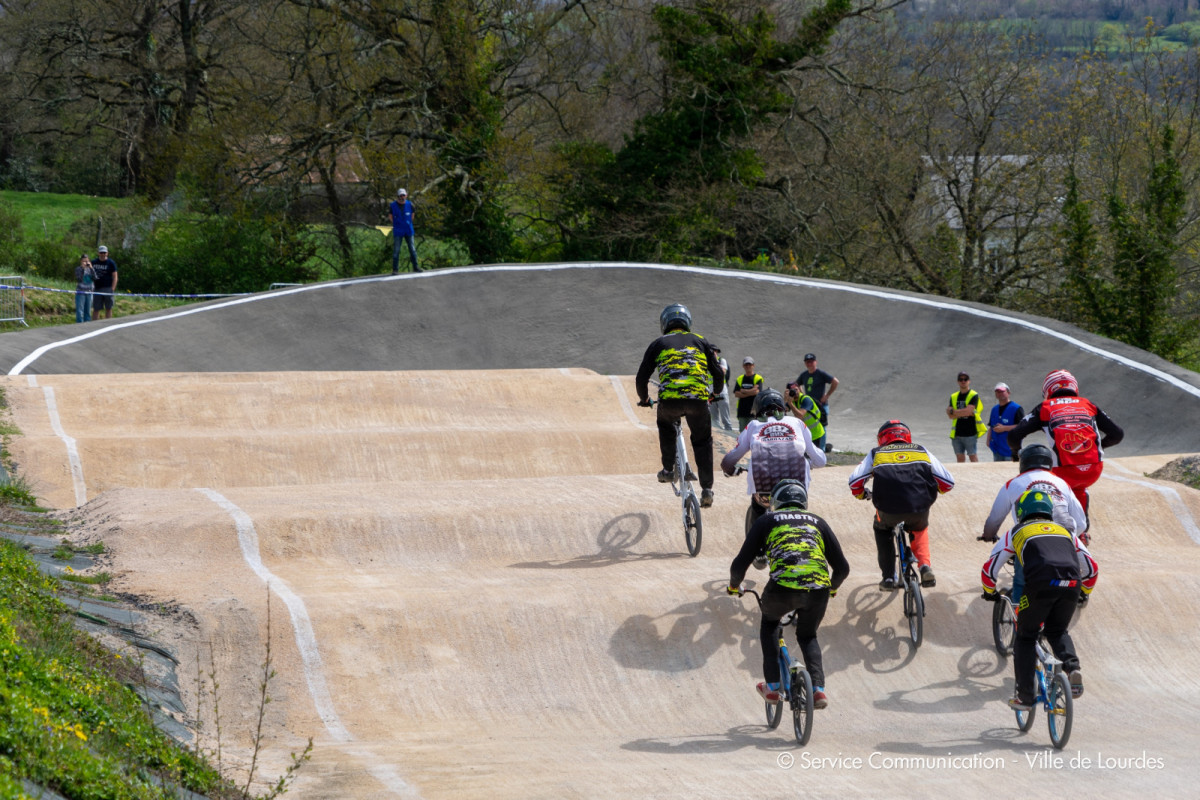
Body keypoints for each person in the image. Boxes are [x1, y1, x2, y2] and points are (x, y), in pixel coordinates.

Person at [727, 479, 849, 709]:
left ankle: (773, 687)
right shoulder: (818, 522)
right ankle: (818, 689)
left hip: (782, 587)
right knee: (807, 636)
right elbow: (842, 568)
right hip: (818, 589)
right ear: (803, 501)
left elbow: (740, 564)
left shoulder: (767, 520)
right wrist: (831, 589)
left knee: (770, 626)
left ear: (776, 501)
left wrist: (734, 585)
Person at [981, 489, 1097, 708]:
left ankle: (1026, 697)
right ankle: (1073, 669)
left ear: (1022, 511)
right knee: (1057, 631)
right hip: (1072, 585)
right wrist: (1084, 592)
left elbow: (990, 569)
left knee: (1026, 636)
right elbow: (1091, 568)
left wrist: (989, 591)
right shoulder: (1066, 532)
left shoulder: (1017, 531)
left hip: (1040, 586)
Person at [636, 303, 725, 508]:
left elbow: (642, 378)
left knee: (666, 426)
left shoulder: (658, 343)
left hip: (670, 401)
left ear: (665, 323)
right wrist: (715, 393)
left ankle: (668, 470)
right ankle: (707, 489)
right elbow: (718, 373)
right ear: (687, 322)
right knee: (703, 441)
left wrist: (644, 399)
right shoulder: (701, 341)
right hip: (698, 401)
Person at [848, 420, 955, 588]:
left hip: (887, 509)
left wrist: (862, 494)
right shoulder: (921, 450)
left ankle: (889, 578)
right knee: (919, 529)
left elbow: (854, 481)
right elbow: (948, 482)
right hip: (919, 506)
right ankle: (925, 566)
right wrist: (935, 490)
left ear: (882, 438)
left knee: (881, 529)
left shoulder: (876, 453)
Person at [1007, 369, 1124, 517]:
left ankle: (1054, 517)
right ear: (1074, 387)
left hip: (1063, 471)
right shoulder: (1088, 404)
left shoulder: (1045, 407)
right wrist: (1097, 447)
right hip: (1093, 469)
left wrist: (1016, 453)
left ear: (1047, 391)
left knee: (1044, 482)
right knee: (1079, 488)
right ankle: (1082, 529)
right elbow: (1118, 434)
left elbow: (1013, 436)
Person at [980, 443, 1089, 602]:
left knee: (1021, 582)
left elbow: (995, 518)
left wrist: (988, 535)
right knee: (1079, 573)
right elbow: (1081, 522)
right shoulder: (1062, 483)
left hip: (1030, 535)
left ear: (1023, 463)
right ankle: (1078, 594)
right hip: (1064, 537)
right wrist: (1072, 536)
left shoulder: (1013, 483)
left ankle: (1019, 621)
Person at [721, 388, 827, 530]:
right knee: (800, 512)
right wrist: (808, 463)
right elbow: (821, 460)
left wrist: (730, 470)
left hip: (764, 489)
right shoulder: (797, 423)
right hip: (797, 487)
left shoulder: (753, 426)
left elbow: (728, 461)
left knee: (758, 510)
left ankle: (755, 548)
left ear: (758, 408)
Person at [946, 371, 985, 463]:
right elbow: (950, 415)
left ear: (969, 381)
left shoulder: (973, 395)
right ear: (958, 381)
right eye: (961, 379)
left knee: (973, 457)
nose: (963, 381)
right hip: (957, 433)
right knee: (960, 458)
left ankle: (976, 475)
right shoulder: (954, 396)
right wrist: (962, 412)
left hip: (970, 433)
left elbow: (968, 411)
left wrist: (954, 412)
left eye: (965, 379)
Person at [795, 353, 838, 428]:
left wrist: (827, 395)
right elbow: (797, 384)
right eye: (807, 362)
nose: (809, 364)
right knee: (811, 427)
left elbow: (835, 381)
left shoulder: (821, 373)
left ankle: (822, 440)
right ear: (805, 363)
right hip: (810, 406)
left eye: (811, 361)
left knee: (821, 427)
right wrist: (802, 394)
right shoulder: (804, 375)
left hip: (821, 405)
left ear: (815, 362)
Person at [986, 382, 1024, 462]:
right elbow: (991, 426)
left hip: (1010, 450)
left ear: (1008, 392)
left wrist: (1004, 428)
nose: (1000, 394)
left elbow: (1022, 427)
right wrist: (988, 441)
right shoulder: (994, 409)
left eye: (1002, 391)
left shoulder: (1016, 408)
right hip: (996, 450)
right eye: (997, 392)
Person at [785, 381, 826, 452]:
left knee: (813, 458)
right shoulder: (792, 400)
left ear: (799, 389)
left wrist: (790, 404)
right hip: (805, 435)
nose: (795, 392)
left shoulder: (806, 399)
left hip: (815, 434)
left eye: (796, 389)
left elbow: (800, 415)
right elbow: (781, 411)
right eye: (792, 391)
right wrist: (785, 399)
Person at [389, 188, 420, 273]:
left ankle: (415, 267)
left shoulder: (410, 204)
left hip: (408, 230)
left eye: (403, 195)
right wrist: (396, 224)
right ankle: (395, 269)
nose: (402, 197)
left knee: (412, 249)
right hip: (398, 231)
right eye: (400, 195)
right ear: (398, 196)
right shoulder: (392, 205)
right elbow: (390, 216)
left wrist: (408, 223)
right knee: (396, 250)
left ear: (406, 195)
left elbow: (412, 215)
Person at [732, 356, 763, 432]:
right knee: (742, 433)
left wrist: (743, 390)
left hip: (754, 411)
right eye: (746, 365)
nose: (748, 366)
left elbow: (756, 392)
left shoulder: (758, 378)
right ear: (743, 366)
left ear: (753, 366)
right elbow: (736, 394)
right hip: (742, 411)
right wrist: (751, 391)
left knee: (753, 432)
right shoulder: (740, 379)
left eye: (750, 364)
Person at [708, 345, 734, 432]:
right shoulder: (706, 362)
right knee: (714, 420)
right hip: (711, 394)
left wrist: (714, 363)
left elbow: (723, 372)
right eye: (712, 351)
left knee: (726, 420)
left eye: (715, 351)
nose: (714, 353)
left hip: (722, 392)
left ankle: (730, 437)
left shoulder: (721, 360)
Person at [90, 245, 118, 319]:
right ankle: (94, 324)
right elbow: (88, 275)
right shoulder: (93, 262)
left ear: (107, 253)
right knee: (96, 308)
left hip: (108, 288)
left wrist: (112, 289)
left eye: (104, 253)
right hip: (97, 288)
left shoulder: (111, 263)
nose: (103, 254)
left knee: (108, 308)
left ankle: (108, 324)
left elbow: (115, 276)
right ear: (98, 253)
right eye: (101, 252)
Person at [73, 254, 95, 323]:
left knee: (88, 311)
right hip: (81, 292)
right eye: (84, 261)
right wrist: (83, 269)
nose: (86, 263)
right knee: (80, 311)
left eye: (87, 261)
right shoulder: (78, 269)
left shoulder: (91, 269)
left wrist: (91, 268)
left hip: (89, 291)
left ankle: (87, 325)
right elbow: (79, 279)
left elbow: (95, 278)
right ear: (81, 262)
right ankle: (79, 324)